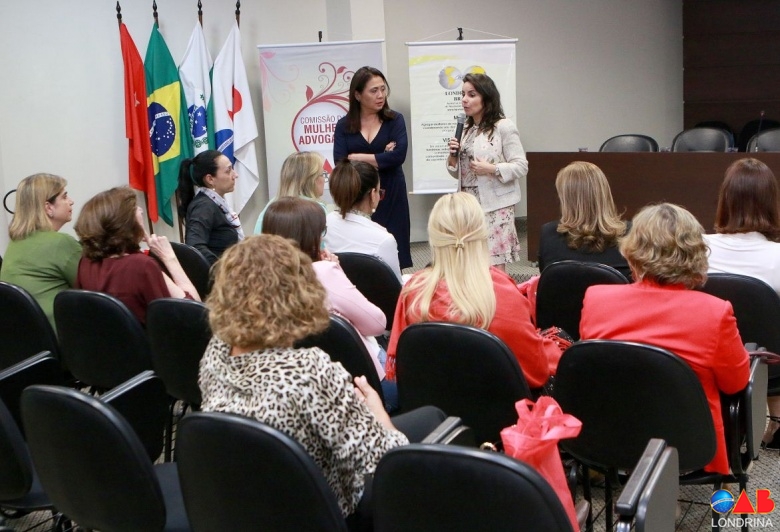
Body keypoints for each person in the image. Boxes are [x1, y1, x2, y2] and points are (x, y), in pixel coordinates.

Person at [198, 234, 445, 524]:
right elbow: (390, 461)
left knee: (429, 418)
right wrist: (378, 413)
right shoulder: (308, 372)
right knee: (435, 422)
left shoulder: (215, 353)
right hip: (328, 511)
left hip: (254, 502)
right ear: (297, 293)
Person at [580, 203, 750, 474]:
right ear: (695, 254)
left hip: (613, 441)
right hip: (691, 447)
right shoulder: (714, 312)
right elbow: (736, 384)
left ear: (633, 250)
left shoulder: (596, 298)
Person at [386, 192, 562, 389]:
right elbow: (537, 372)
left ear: (433, 238)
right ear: (483, 236)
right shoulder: (504, 294)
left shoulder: (414, 292)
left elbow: (404, 368)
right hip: (500, 405)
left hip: (432, 403)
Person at [263, 197, 398, 411]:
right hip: (365, 388)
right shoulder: (323, 273)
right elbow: (378, 323)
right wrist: (338, 273)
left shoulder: (262, 278)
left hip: (302, 393)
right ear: (309, 237)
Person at [703, 157, 780, 448]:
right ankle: (775, 421)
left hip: (712, 362)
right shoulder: (777, 256)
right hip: (771, 366)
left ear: (725, 200)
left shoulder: (698, 248)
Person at [74, 187, 200, 324]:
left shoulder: (85, 263)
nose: (140, 210)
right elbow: (193, 314)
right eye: (135, 208)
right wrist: (169, 258)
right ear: (124, 222)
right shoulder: (142, 266)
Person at [446, 73, 527, 271]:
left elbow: (521, 166)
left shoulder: (503, 126)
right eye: (463, 95)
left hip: (495, 205)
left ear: (486, 97)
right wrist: (452, 157)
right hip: (468, 203)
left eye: (471, 95)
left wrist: (492, 169)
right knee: (470, 261)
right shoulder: (466, 129)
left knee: (493, 266)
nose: (464, 100)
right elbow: (458, 172)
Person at [333, 66, 412, 270]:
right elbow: (340, 163)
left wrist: (358, 157)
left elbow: (398, 156)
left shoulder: (395, 120)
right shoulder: (344, 126)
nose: (380, 95)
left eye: (383, 89)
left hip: (391, 192)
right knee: (361, 255)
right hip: (358, 195)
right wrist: (381, 156)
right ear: (358, 95)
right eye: (374, 90)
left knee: (394, 251)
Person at [0, 173, 81, 330]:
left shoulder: (15, 244)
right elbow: (95, 285)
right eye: (64, 197)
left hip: (26, 339)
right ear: (48, 207)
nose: (71, 201)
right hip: (61, 337)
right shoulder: (60, 243)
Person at [538, 161, 631, 279]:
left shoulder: (548, 234)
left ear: (565, 199)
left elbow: (546, 278)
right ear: (604, 193)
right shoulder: (631, 234)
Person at [324, 159, 403, 282]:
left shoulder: (324, 223)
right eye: (380, 192)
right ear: (373, 194)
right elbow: (397, 287)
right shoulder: (383, 239)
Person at [177, 149, 243, 265]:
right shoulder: (203, 207)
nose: (235, 175)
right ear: (210, 179)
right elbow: (195, 247)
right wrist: (222, 270)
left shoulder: (214, 203)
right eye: (228, 171)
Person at [253, 151, 328, 234]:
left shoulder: (271, 206)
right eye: (322, 174)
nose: (324, 180)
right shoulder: (316, 209)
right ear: (310, 180)